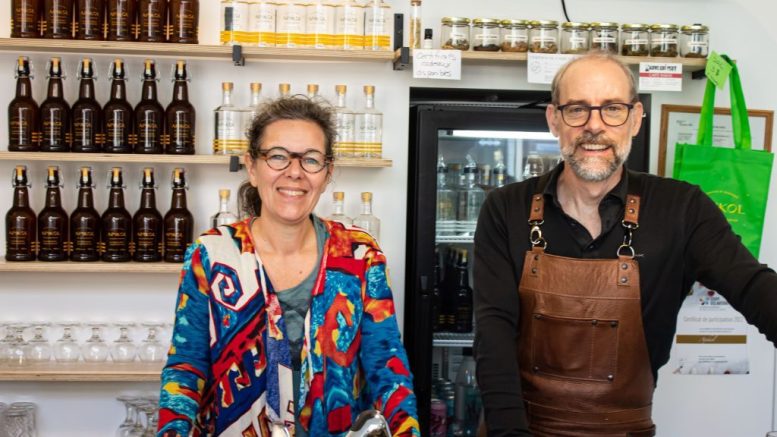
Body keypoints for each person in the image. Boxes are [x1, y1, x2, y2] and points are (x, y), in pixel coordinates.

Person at [473, 52, 777, 436]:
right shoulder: (505, 209)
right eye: (577, 109)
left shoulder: (681, 207)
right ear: (554, 120)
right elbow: (492, 332)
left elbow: (752, 285)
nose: (594, 126)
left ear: (635, 119)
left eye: (612, 109)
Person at [157, 97, 420, 437]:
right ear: (252, 167)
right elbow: (185, 369)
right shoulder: (211, 255)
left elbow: (388, 368)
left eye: (310, 159)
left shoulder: (359, 255)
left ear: (327, 174)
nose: (294, 172)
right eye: (278, 156)